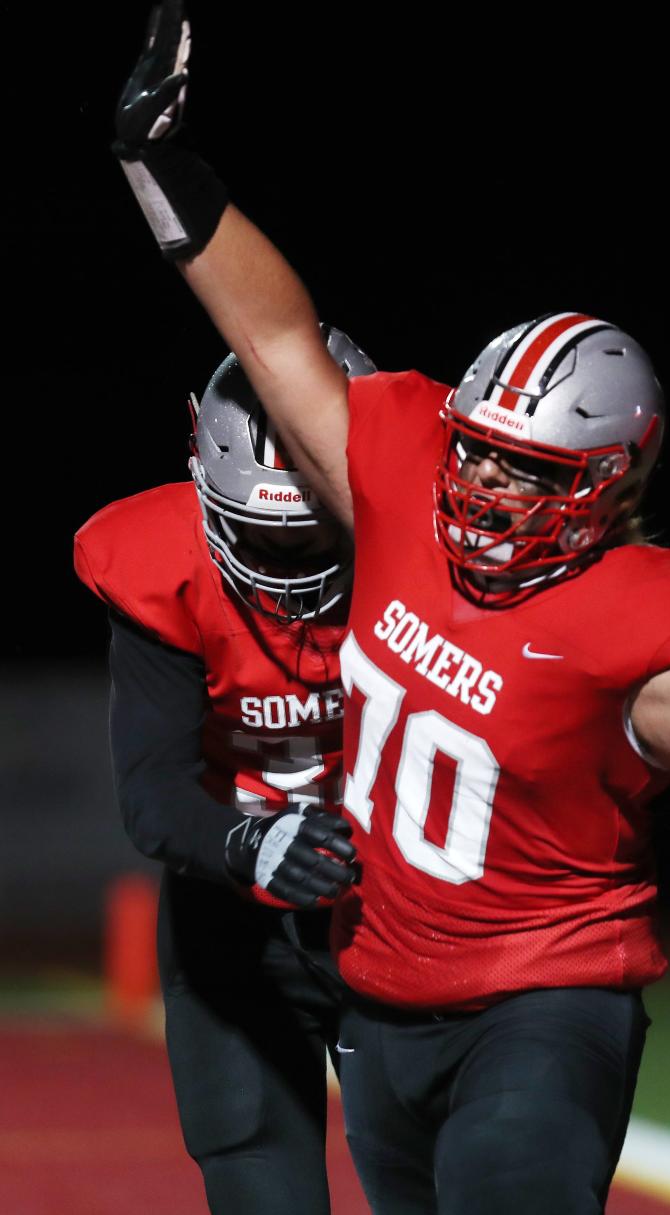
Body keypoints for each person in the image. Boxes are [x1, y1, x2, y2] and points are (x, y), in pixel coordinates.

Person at [110, 6, 670, 1212]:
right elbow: (269, 332)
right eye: (479, 450)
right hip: (381, 999)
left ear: (611, 483)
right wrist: (166, 174)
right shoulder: (404, 474)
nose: (485, 484)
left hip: (546, 1000)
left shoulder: (639, 601)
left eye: (533, 469)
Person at [74, 328, 375, 1215]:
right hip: (233, 915)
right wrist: (249, 842)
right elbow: (154, 793)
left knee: (441, 1183)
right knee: (258, 1181)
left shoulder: (433, 551)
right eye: (259, 534)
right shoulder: (161, 565)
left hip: (401, 913)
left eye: (309, 531)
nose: (284, 572)